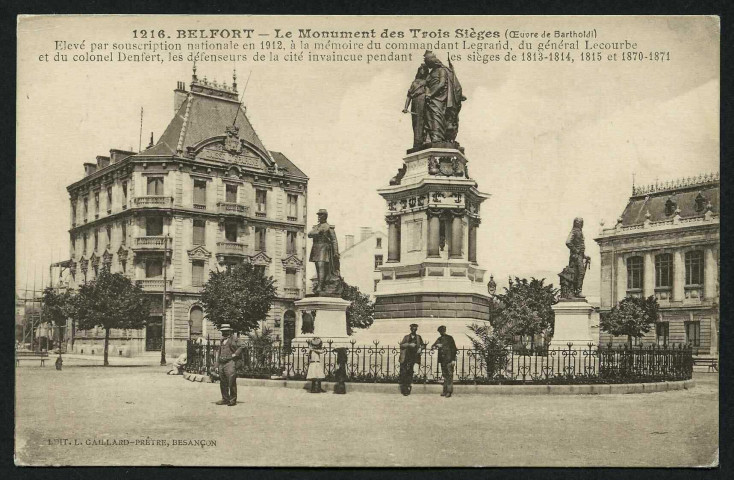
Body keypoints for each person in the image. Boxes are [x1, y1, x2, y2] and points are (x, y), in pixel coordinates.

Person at [308, 209, 341, 295]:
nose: (319, 217)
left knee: (321, 266)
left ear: (325, 216)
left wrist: (335, 252)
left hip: (324, 248)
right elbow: (309, 234)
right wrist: (318, 232)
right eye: (318, 215)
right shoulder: (316, 227)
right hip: (316, 248)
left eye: (321, 215)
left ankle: (320, 286)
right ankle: (320, 285)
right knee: (317, 267)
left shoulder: (328, 227)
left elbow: (334, 240)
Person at [216, 324, 244, 406]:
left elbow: (243, 345)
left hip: (230, 362)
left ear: (229, 331)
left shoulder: (234, 339)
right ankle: (225, 399)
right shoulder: (221, 340)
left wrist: (235, 354)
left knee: (231, 381)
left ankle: (232, 400)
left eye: (226, 331)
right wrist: (217, 365)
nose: (224, 332)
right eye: (222, 331)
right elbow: (219, 352)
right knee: (222, 381)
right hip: (222, 362)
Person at [402, 64, 428, 148]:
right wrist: (405, 107)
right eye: (421, 69)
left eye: (424, 69)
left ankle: (423, 140)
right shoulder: (414, 83)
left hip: (424, 101)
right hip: (415, 102)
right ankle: (417, 141)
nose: (422, 71)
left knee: (424, 121)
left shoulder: (428, 81)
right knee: (416, 121)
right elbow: (409, 96)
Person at [565, 217, 591, 297]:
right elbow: (568, 242)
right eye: (580, 222)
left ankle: (575, 290)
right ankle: (578, 291)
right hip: (575, 257)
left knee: (577, 274)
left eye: (582, 222)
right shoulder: (574, 231)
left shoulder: (579, 232)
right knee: (580, 273)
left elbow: (580, 247)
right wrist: (576, 251)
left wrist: (584, 256)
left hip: (579, 256)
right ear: (577, 223)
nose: (582, 224)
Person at [431, 326, 458, 397]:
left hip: (449, 360)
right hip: (442, 360)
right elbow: (433, 346)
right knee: (445, 376)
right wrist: (436, 346)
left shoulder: (450, 338)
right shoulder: (439, 339)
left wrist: (453, 360)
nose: (441, 332)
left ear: (445, 330)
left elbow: (454, 349)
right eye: (440, 331)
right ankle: (445, 391)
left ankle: (449, 391)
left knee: (449, 376)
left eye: (443, 331)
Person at [399, 324, 424, 396]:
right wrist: (409, 344)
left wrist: (420, 348)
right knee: (404, 373)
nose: (414, 330)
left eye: (415, 329)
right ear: (410, 329)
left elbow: (423, 345)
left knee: (410, 373)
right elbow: (401, 345)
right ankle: (404, 389)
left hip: (414, 358)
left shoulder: (418, 337)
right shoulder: (406, 337)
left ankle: (408, 388)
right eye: (413, 329)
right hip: (405, 357)